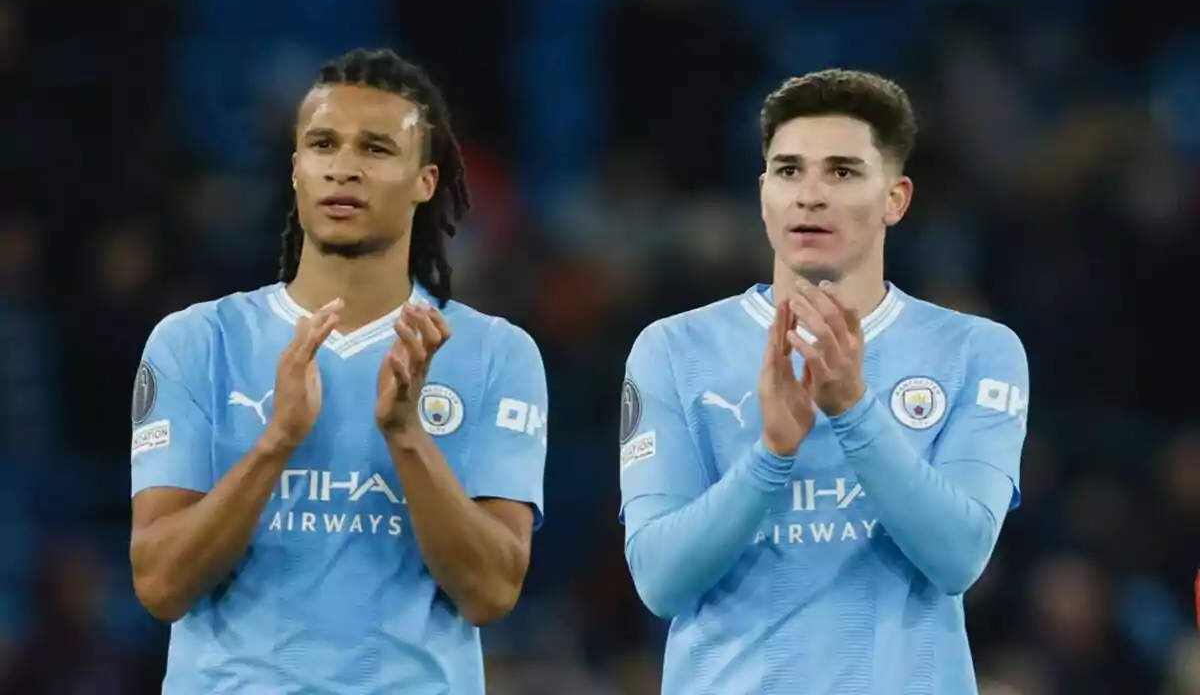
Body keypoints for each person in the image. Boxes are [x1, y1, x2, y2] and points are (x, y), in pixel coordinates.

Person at [128, 48, 548, 694]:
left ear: (425, 181)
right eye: (323, 144)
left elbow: (491, 592)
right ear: (297, 170)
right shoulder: (195, 342)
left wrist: (407, 435)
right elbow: (159, 585)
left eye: (377, 149)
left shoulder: (495, 352)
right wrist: (276, 443)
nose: (344, 168)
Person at [618, 69, 1029, 694]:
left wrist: (853, 411)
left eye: (841, 172)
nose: (810, 194)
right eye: (788, 171)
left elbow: (959, 557)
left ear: (896, 197)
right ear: (763, 195)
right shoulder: (673, 349)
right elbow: (659, 579)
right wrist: (771, 455)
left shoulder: (978, 350)